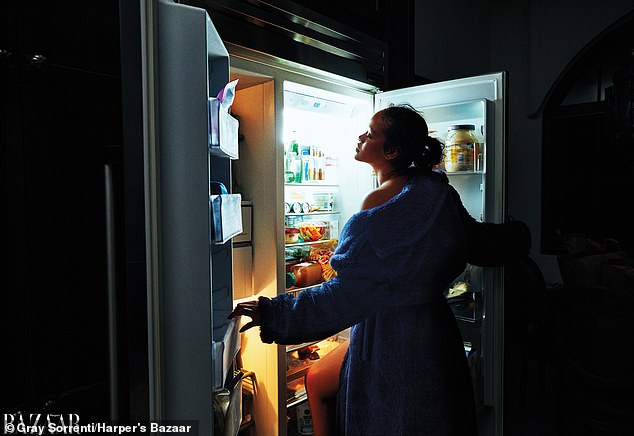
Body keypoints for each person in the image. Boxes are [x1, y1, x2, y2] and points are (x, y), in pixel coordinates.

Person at [230, 104, 530, 436]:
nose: (361, 137)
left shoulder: (373, 211)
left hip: (389, 341)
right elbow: (479, 241)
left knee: (395, 418)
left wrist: (273, 312)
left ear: (392, 151)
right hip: (435, 333)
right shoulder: (437, 192)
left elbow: (344, 298)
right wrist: (519, 235)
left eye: (370, 133)